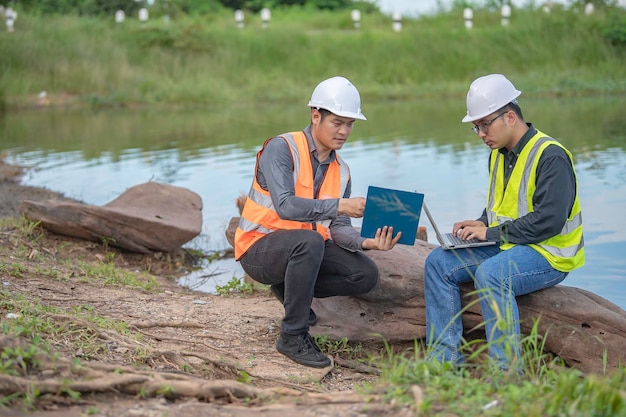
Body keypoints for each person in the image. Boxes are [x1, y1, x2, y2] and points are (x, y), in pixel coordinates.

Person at [234, 76, 401, 368]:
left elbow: (338, 229)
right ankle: (293, 335)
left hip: (303, 251)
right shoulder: (281, 148)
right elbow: (285, 206)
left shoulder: (343, 171)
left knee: (364, 274)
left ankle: (290, 289)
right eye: (337, 122)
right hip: (258, 248)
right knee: (309, 241)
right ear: (315, 116)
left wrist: (366, 242)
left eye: (350, 124)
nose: (344, 131)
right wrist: (340, 205)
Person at [424, 74, 584, 370]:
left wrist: (491, 231)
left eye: (485, 124)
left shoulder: (551, 156)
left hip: (549, 254)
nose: (481, 133)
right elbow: (499, 207)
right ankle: (444, 363)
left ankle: (507, 372)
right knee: (438, 262)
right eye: (476, 127)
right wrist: (479, 224)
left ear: (510, 116)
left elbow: (549, 221)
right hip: (509, 244)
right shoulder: (498, 154)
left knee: (492, 274)